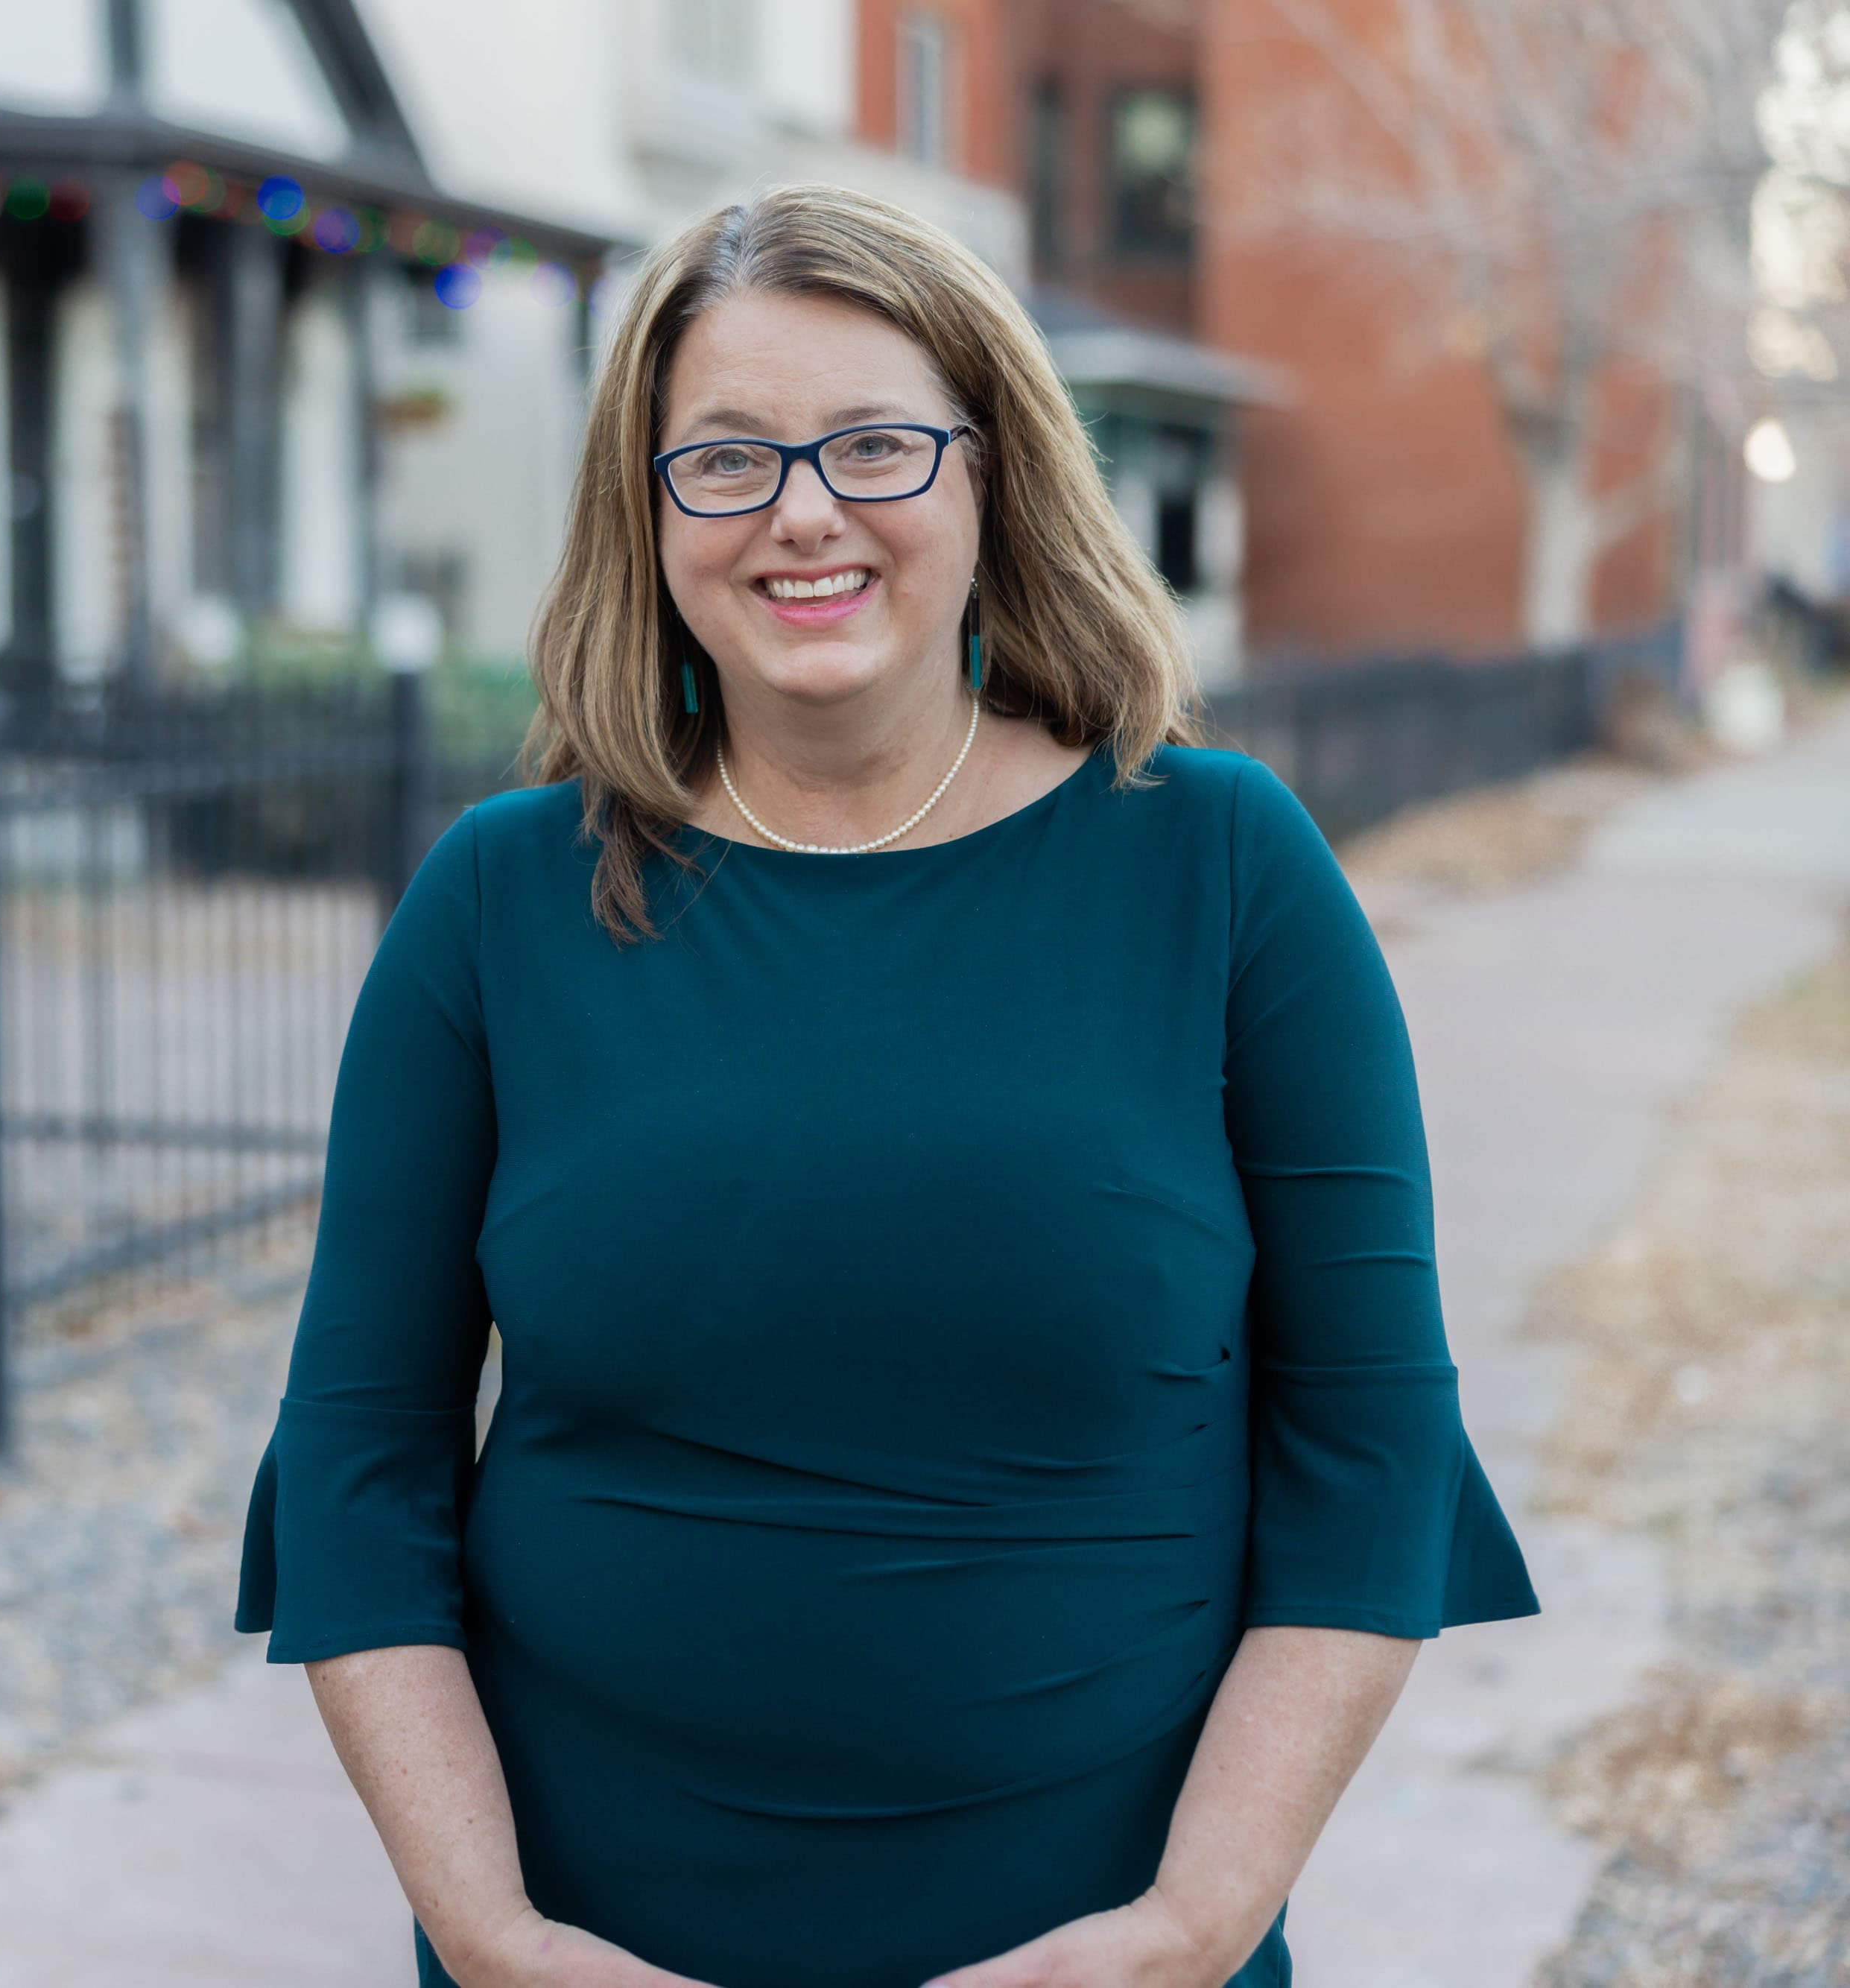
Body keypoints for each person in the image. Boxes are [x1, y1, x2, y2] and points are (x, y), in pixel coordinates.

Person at [232, 183, 1541, 1988]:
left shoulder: (1220, 866)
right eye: (725, 459)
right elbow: (357, 1464)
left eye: (873, 444)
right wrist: (491, 1934)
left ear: (989, 472)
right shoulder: (496, 901)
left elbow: (1369, 1446)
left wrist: (1187, 1927)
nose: (800, 513)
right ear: (649, 507)